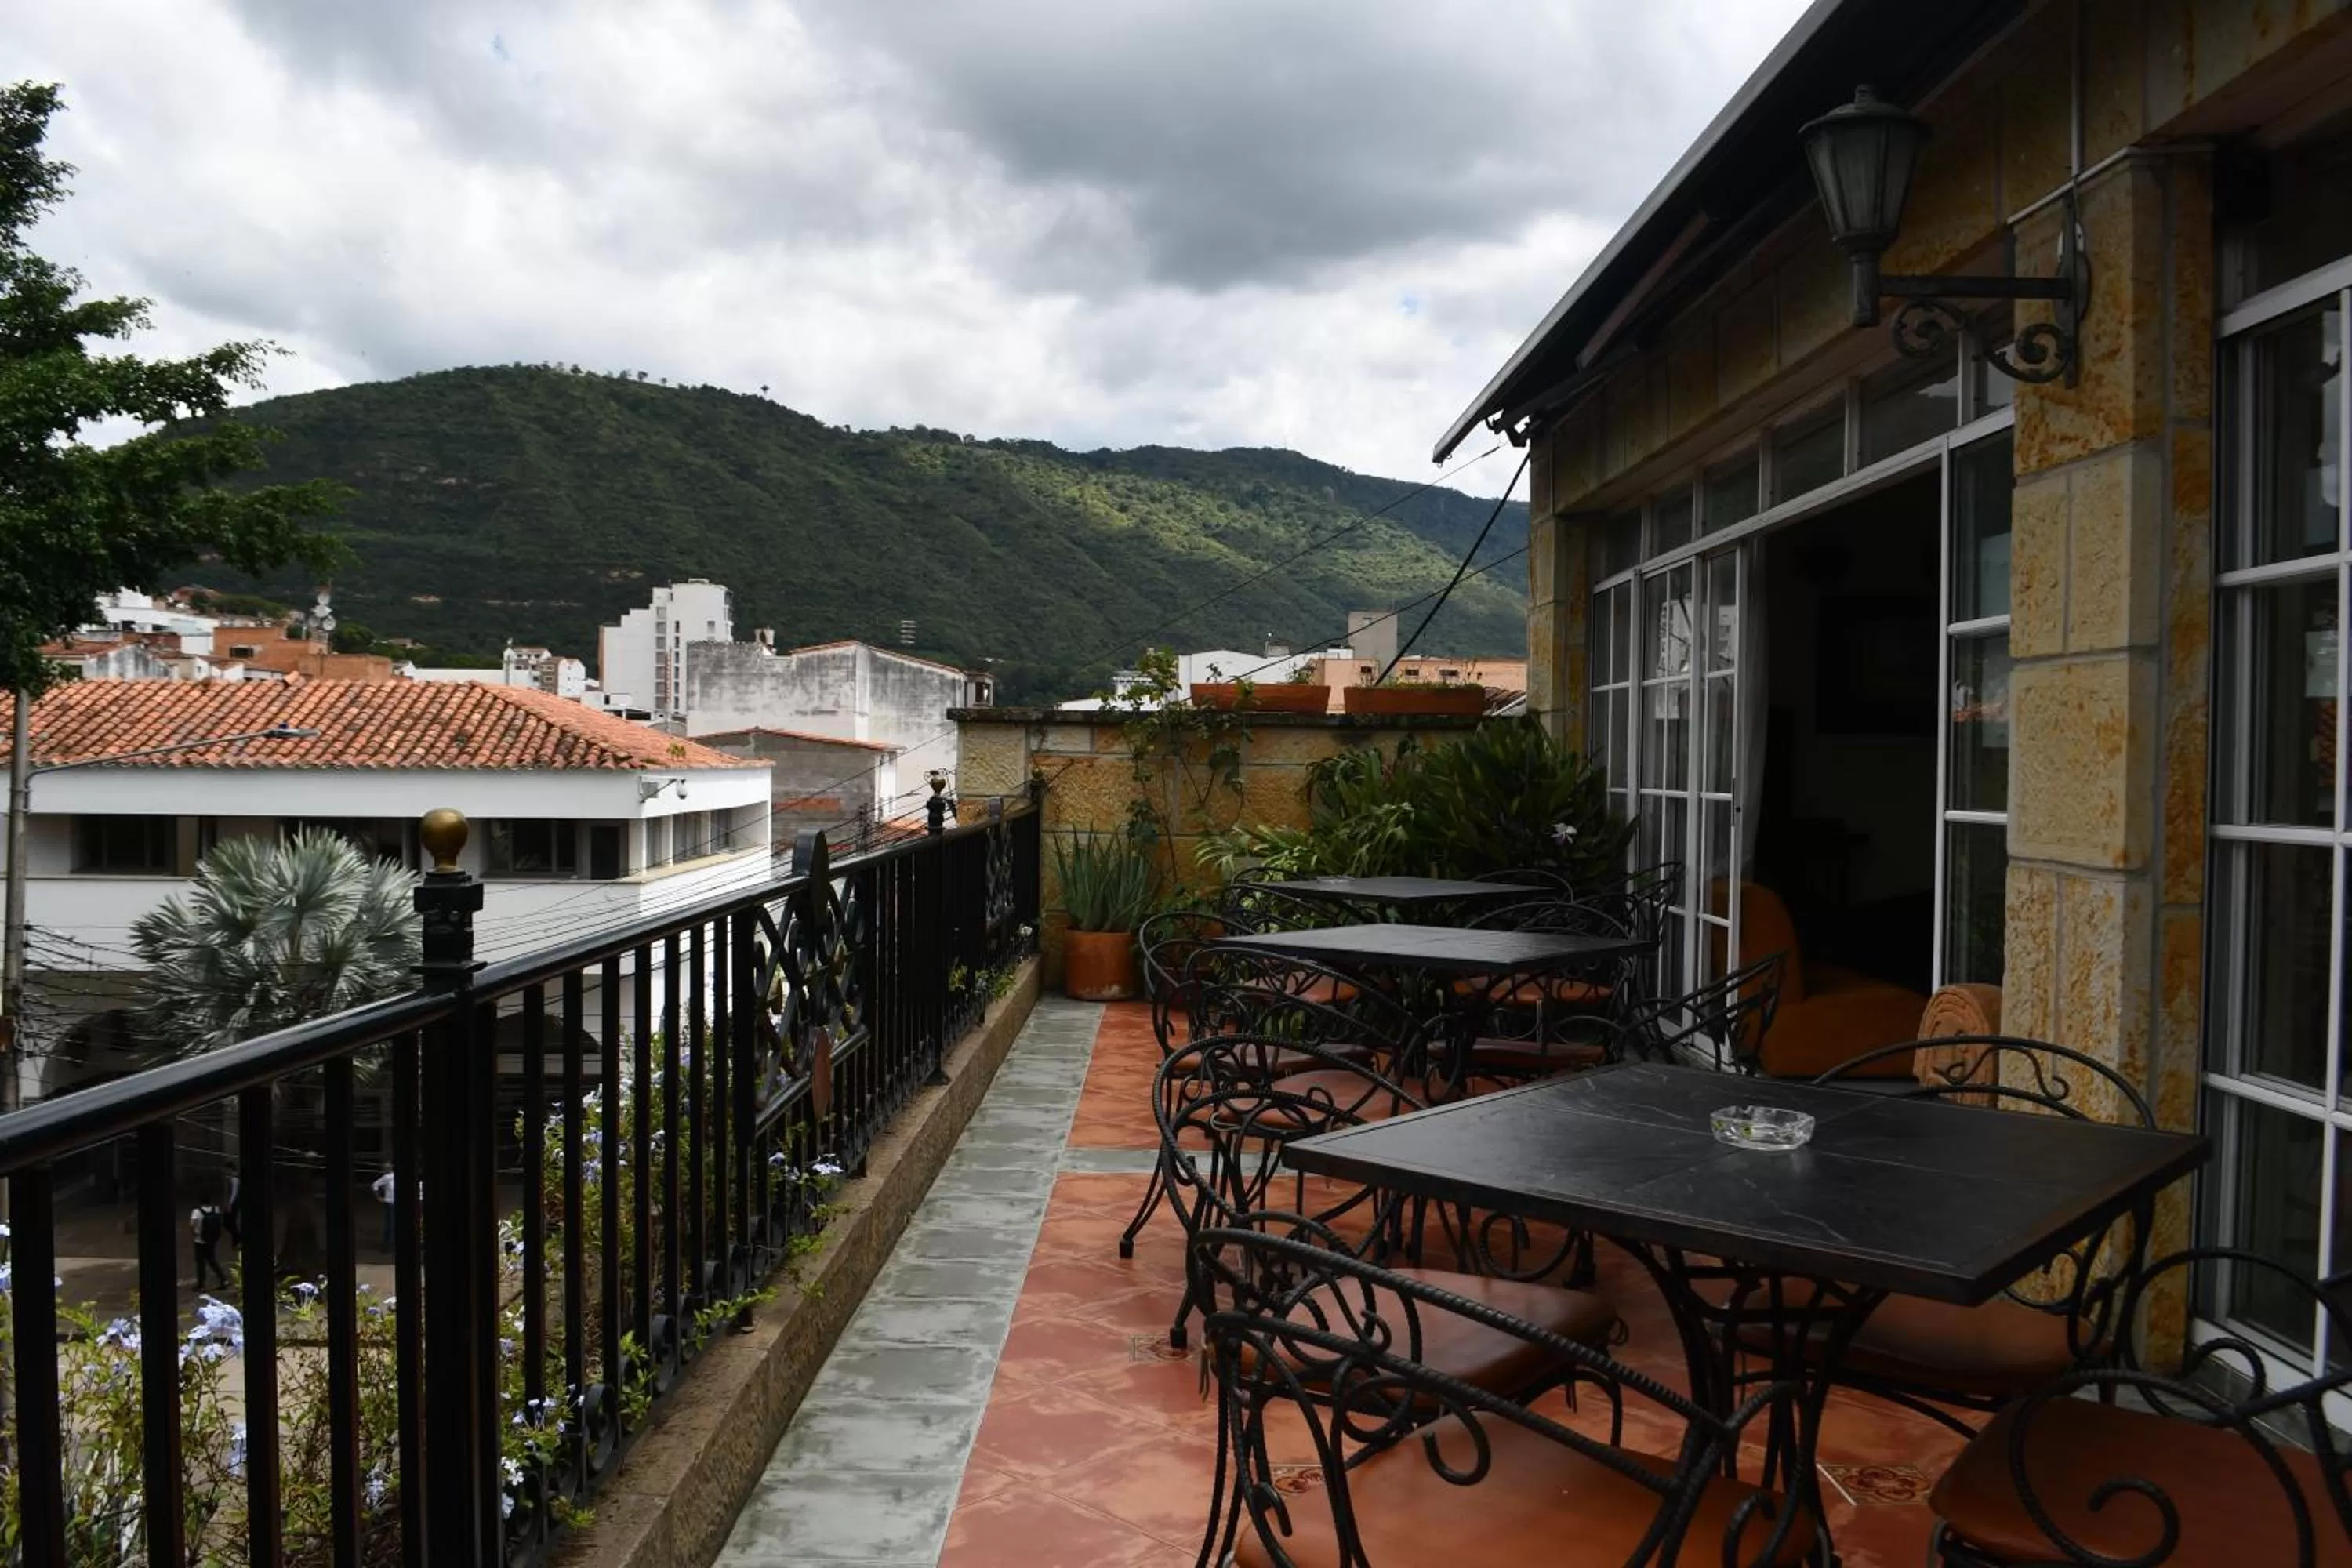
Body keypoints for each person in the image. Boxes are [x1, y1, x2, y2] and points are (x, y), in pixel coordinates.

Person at [189, 1197, 229, 1291]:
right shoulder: (216, 1209)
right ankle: (223, 1280)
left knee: (201, 1264)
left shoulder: (196, 1212)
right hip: (212, 1240)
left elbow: (191, 1225)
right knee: (212, 1261)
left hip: (200, 1241)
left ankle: (201, 1285)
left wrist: (195, 1234)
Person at [372, 1167, 397, 1251]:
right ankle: (387, 1246)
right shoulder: (387, 1177)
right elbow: (374, 1185)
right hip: (390, 1204)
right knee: (390, 1225)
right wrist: (379, 1198)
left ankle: (390, 1245)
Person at [223, 1163, 243, 1247]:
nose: (226, 1171)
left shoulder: (234, 1179)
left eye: (226, 1170)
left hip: (234, 1204)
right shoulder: (234, 1178)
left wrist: (230, 1204)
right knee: (232, 1223)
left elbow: (234, 1193)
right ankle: (235, 1242)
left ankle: (239, 1237)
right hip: (235, 1203)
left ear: (230, 1169)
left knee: (227, 1223)